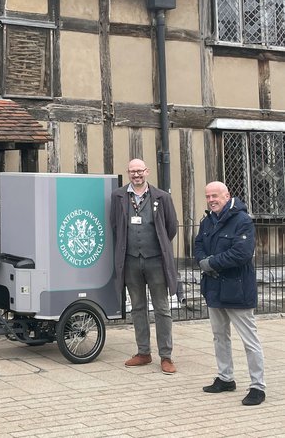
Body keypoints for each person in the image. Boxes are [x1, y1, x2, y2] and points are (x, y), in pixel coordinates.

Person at [195, 181, 265, 406]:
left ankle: (257, 386)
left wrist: (210, 263)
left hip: (237, 290)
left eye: (215, 195)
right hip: (214, 289)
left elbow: (242, 253)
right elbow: (198, 246)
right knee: (219, 337)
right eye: (208, 196)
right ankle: (226, 378)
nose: (211, 200)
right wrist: (203, 261)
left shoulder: (242, 220)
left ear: (227, 196)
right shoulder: (207, 221)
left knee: (249, 340)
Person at [111, 158, 179, 375]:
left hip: (155, 260)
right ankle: (143, 352)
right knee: (138, 307)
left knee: (162, 308)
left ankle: (166, 356)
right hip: (130, 260)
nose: (136, 175)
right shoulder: (118, 196)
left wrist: (155, 248)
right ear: (128, 173)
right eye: (132, 171)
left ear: (147, 172)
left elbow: (171, 228)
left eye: (139, 171)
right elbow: (115, 225)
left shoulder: (162, 197)